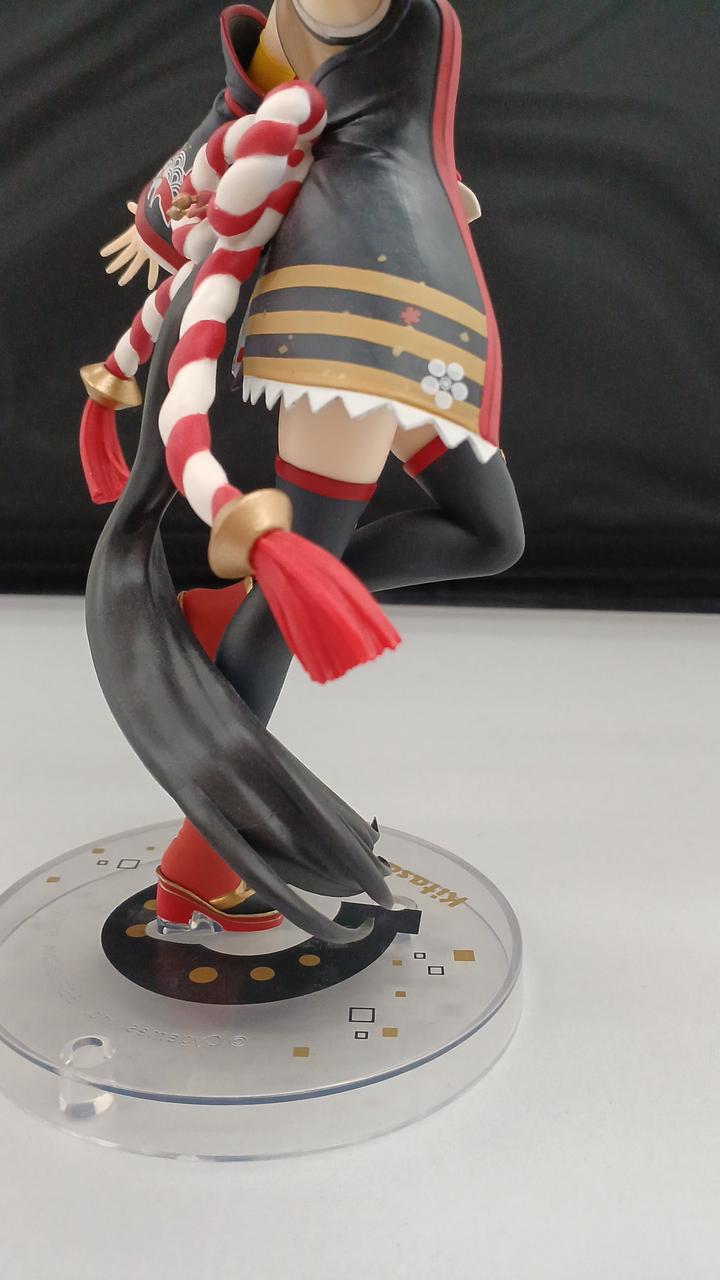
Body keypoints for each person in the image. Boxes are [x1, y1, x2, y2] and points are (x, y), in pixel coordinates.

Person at [80, 0, 524, 944]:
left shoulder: (328, 26)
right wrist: (167, 211)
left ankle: (235, 611)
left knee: (489, 533)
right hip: (351, 317)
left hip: (417, 312)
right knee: (294, 593)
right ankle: (203, 867)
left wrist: (439, 182)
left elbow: (252, 101)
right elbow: (244, 110)